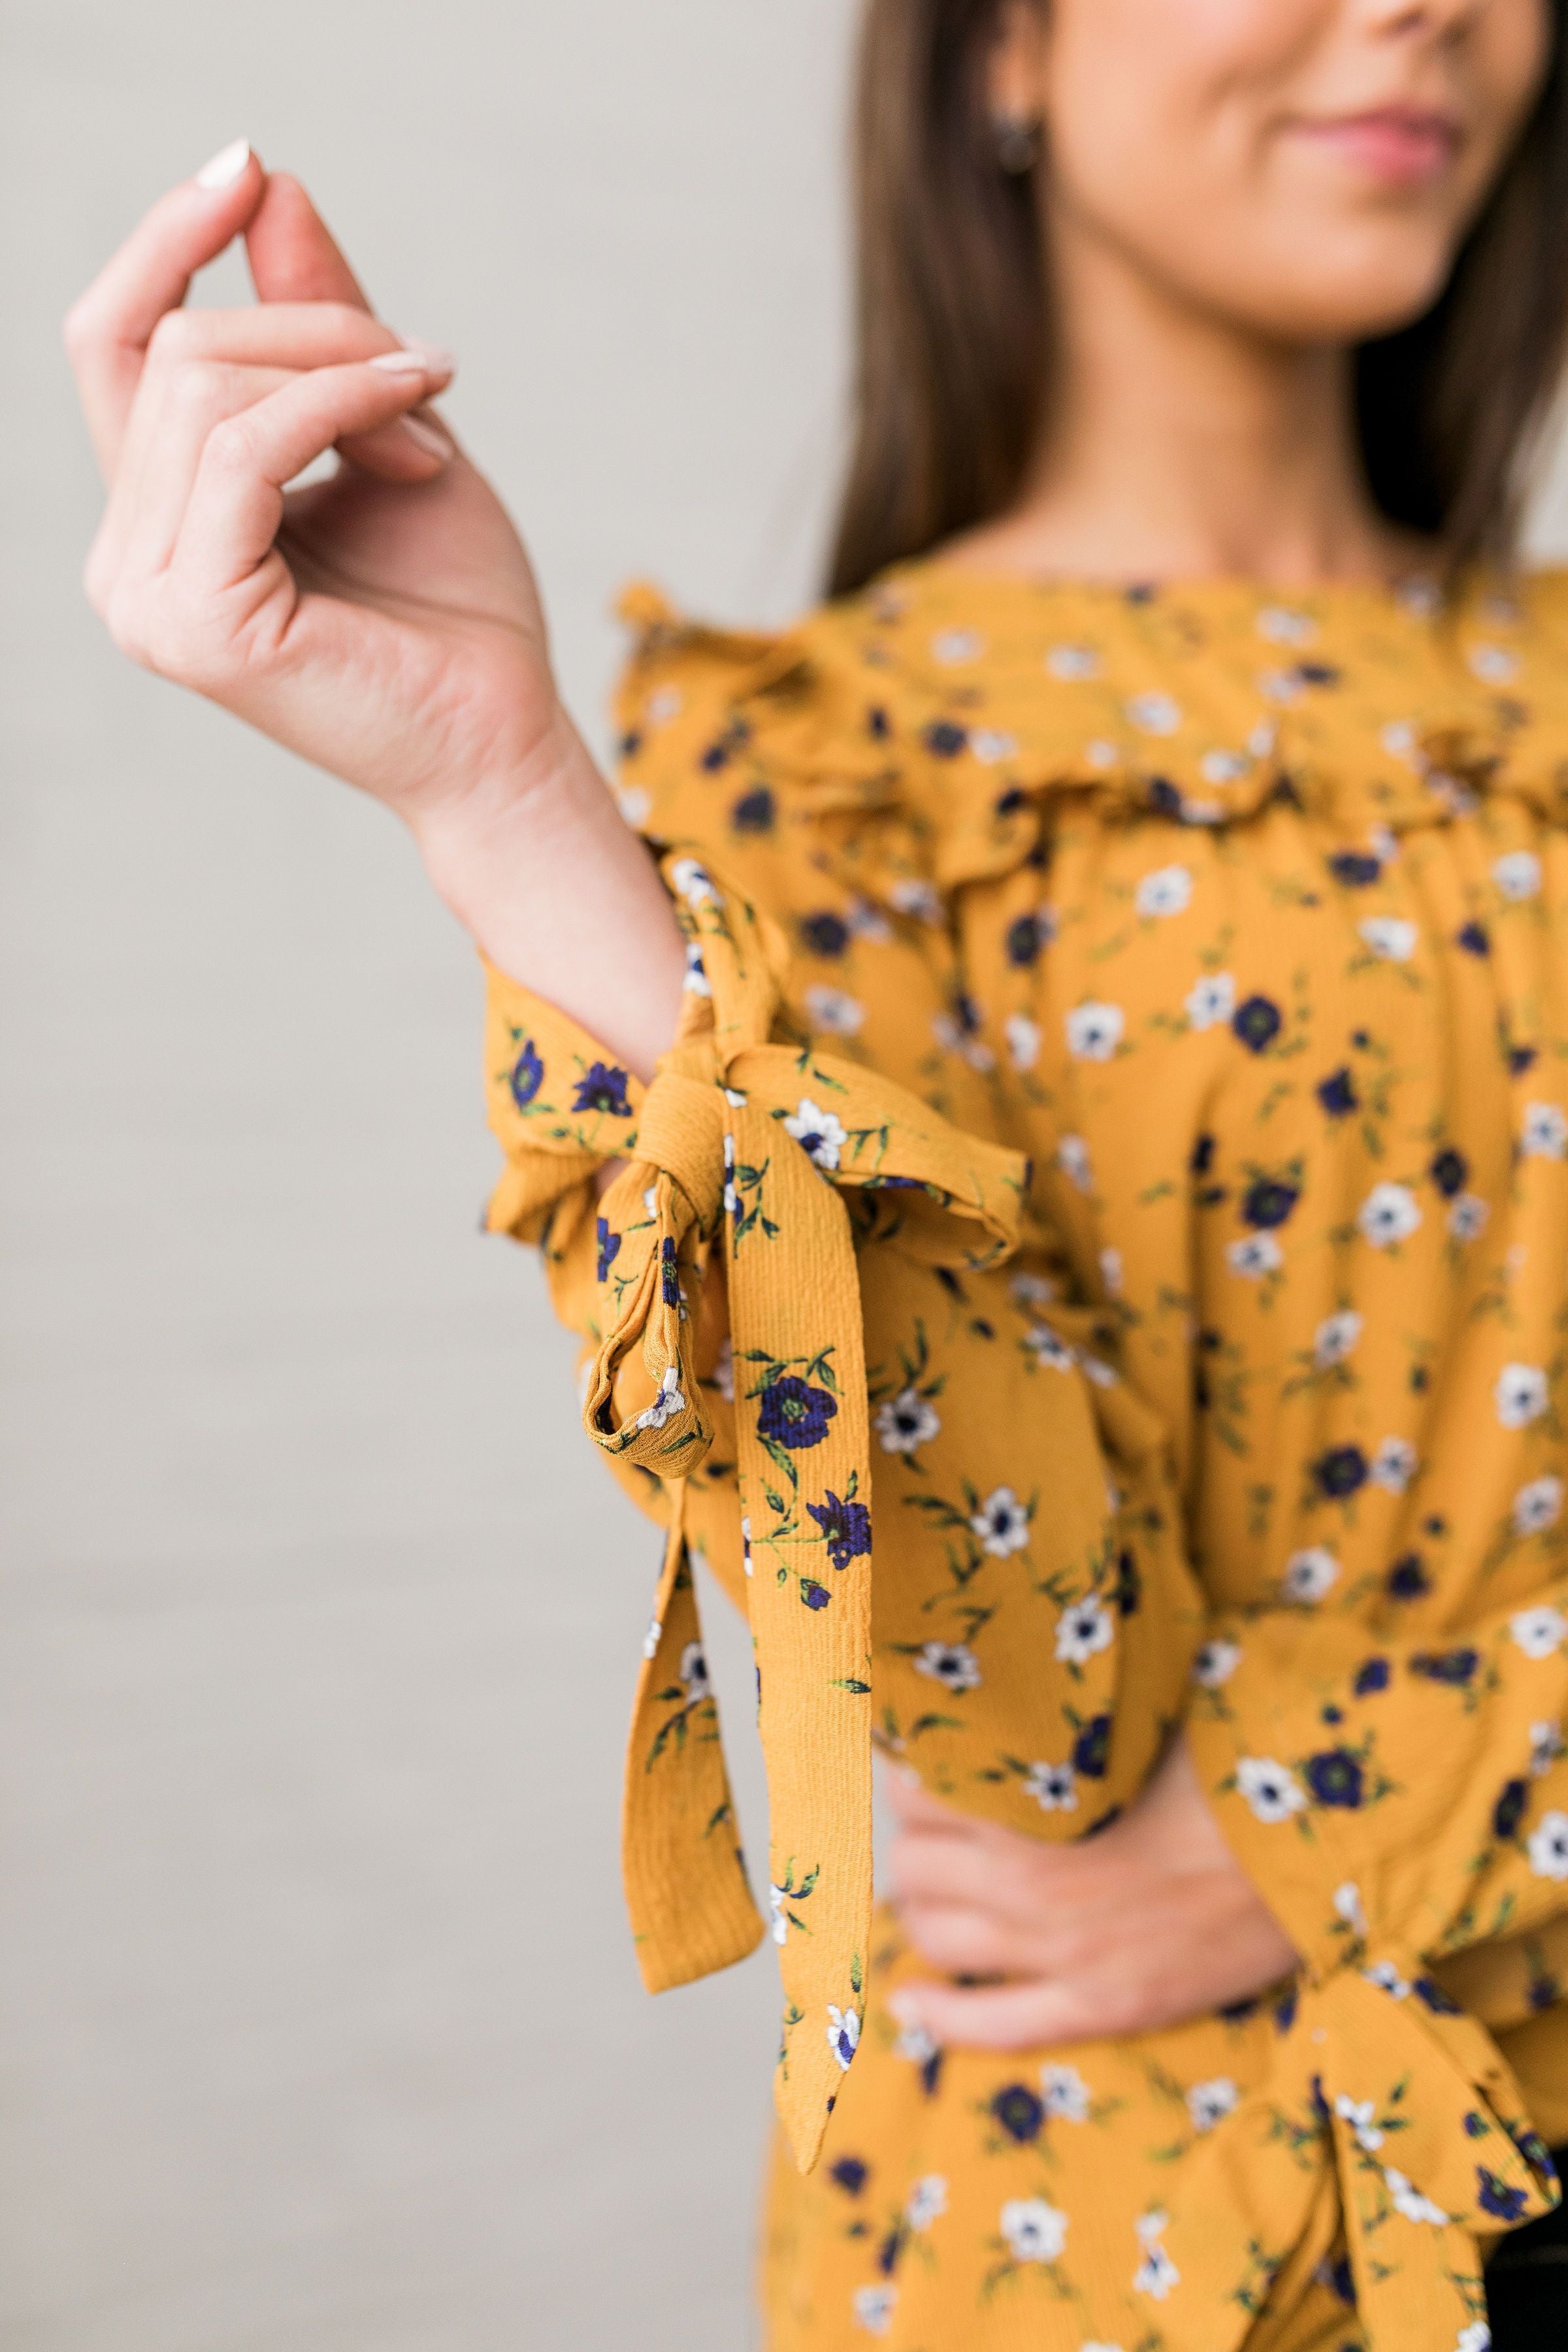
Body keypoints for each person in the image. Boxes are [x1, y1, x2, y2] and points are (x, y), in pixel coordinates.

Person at [63, 1, 1568, 2344]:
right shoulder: (830, 765)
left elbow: (1186, 1788)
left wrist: (1345, 1821)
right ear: (1004, 49)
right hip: (1111, 2261)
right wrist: (513, 807)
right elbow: (1022, 1712)